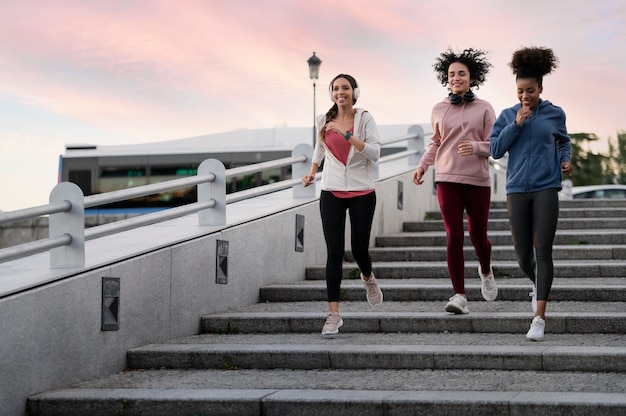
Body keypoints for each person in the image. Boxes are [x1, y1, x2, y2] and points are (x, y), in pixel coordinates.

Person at [490, 47, 573, 341]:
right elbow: (496, 149)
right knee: (523, 256)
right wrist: (516, 124)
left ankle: (539, 317)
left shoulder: (554, 113)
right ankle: (537, 285)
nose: (525, 96)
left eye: (531, 91)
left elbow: (564, 142)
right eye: (520, 91)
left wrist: (565, 159)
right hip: (516, 190)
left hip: (546, 188)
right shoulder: (507, 116)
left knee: (543, 250)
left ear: (540, 88)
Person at [411, 48, 498, 315]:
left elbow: (495, 145)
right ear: (446, 79)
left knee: (479, 237)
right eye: (452, 74)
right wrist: (423, 165)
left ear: (472, 78)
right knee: (454, 236)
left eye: (462, 73)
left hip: (477, 181)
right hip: (447, 179)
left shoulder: (484, 108)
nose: (456, 77)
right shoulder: (438, 109)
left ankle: (485, 270)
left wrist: (476, 147)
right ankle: (459, 294)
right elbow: (436, 143)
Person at [301, 73, 383, 336]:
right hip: (331, 191)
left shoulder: (365, 118)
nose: (340, 92)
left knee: (359, 249)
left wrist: (347, 135)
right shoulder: (323, 120)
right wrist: (313, 171)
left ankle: (368, 277)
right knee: (334, 252)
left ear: (354, 91)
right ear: (331, 93)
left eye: (345, 88)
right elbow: (320, 149)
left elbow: (375, 153)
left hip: (362, 190)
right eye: (336, 88)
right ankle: (333, 314)